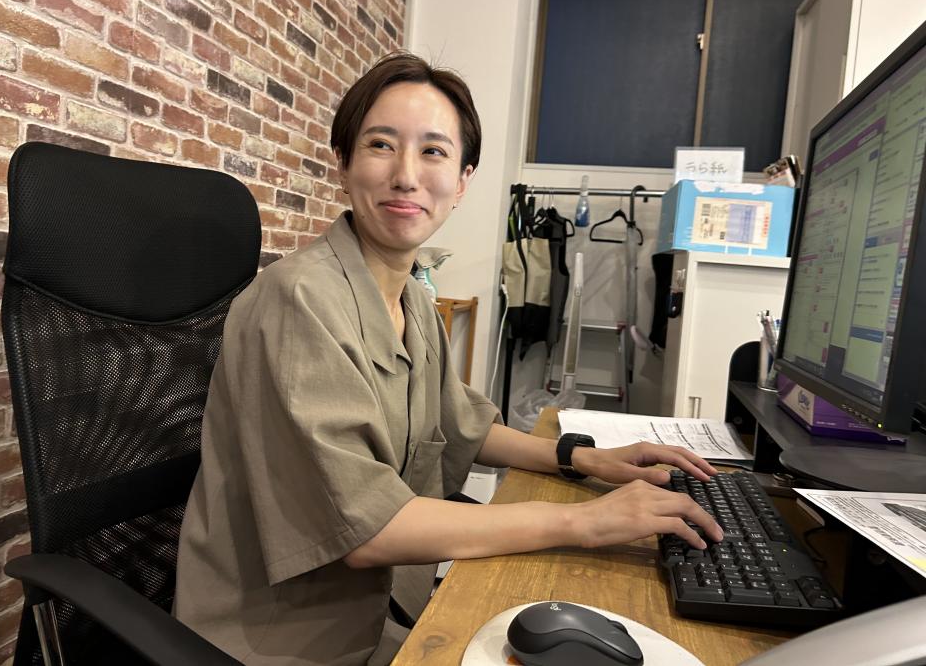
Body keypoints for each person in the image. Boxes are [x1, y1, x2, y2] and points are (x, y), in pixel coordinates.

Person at [173, 52, 723, 665]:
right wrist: (585, 522)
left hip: (388, 606)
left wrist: (581, 457)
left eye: (433, 151)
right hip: (285, 640)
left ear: (462, 181)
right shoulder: (299, 300)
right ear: (343, 164)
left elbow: (460, 422)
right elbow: (367, 529)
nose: (406, 175)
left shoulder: (410, 297)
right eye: (381, 145)